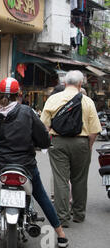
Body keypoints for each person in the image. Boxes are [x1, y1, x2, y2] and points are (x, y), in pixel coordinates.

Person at [0, 77, 68, 248]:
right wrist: (42, 142)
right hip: (25, 165)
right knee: (42, 196)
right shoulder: (27, 112)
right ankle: (61, 235)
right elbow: (43, 140)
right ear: (18, 95)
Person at [41, 70, 101, 227]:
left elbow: (44, 126)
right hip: (81, 143)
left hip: (58, 142)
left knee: (61, 179)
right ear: (81, 84)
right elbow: (94, 130)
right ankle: (79, 214)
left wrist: (47, 143)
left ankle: (62, 217)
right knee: (80, 180)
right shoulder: (87, 101)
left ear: (64, 83)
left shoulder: (53, 99)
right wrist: (88, 146)